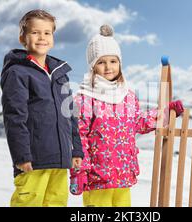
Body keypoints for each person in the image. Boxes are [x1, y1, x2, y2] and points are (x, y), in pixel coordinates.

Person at [70, 25, 184, 207]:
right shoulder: (85, 98)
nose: (108, 67)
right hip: (98, 177)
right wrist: (79, 171)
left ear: (120, 63)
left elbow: (138, 122)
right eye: (101, 62)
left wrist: (165, 113)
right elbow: (78, 136)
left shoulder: (128, 95)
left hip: (123, 174)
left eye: (113, 61)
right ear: (93, 66)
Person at [0, 9, 83, 207]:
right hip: (33, 160)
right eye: (35, 32)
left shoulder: (60, 73)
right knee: (28, 202)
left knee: (56, 203)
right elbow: (14, 117)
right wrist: (21, 156)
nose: (41, 37)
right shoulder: (17, 72)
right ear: (23, 37)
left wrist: (76, 150)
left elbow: (69, 113)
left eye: (47, 33)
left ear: (53, 37)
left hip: (60, 159)